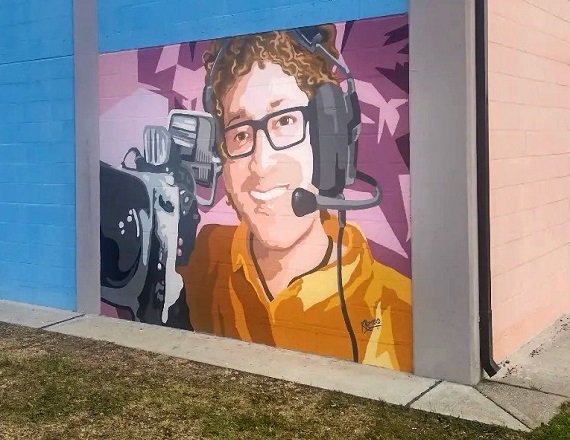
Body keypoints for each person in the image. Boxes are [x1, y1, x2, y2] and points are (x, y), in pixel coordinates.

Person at [176, 25, 413, 372]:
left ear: (330, 140)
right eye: (240, 133)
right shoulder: (205, 260)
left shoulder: (397, 307)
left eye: (285, 120)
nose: (261, 163)